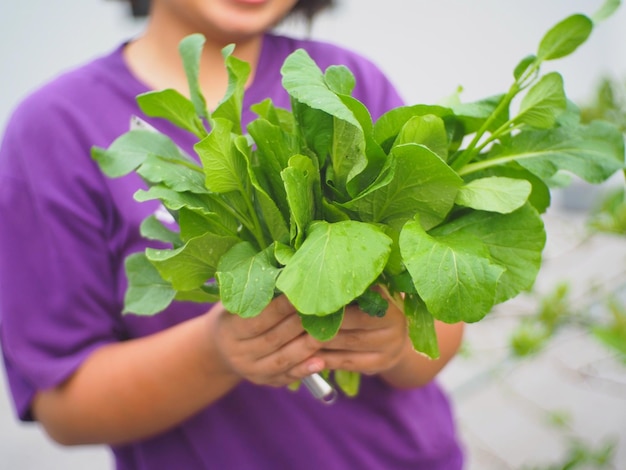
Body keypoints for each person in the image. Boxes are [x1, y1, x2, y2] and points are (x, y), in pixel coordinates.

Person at [0, 1, 465, 468]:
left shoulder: (344, 81)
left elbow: (444, 316)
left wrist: (395, 340)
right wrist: (215, 352)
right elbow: (64, 408)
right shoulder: (54, 128)